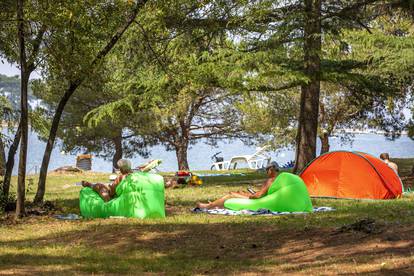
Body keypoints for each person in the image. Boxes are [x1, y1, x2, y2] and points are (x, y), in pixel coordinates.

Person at [196, 161, 280, 209]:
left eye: (267, 170)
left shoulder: (270, 180)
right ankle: (215, 203)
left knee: (231, 194)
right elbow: (263, 193)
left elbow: (259, 196)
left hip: (258, 200)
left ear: (271, 170)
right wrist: (250, 194)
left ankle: (208, 206)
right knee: (240, 192)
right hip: (261, 198)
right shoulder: (275, 179)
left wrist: (251, 195)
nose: (266, 172)